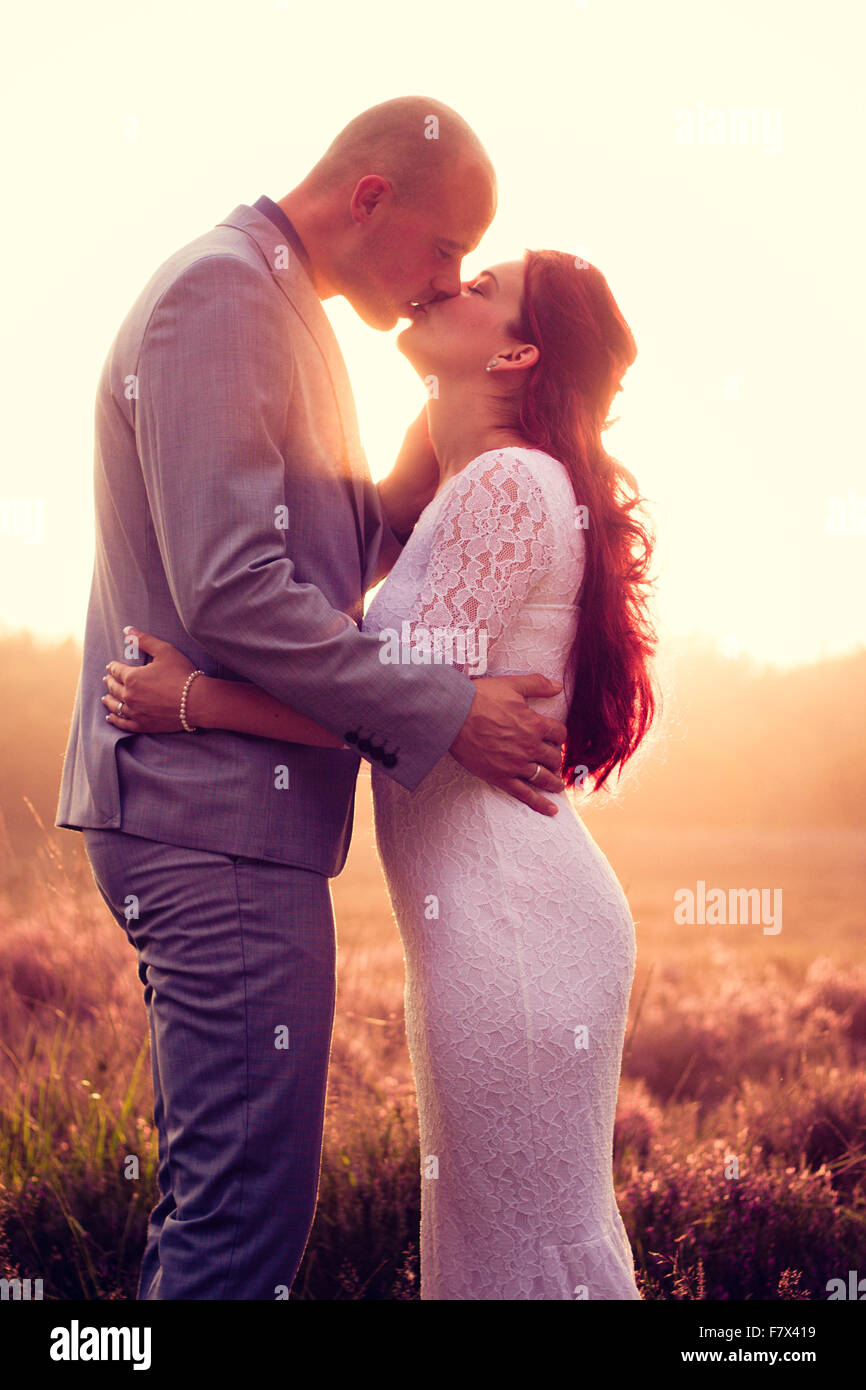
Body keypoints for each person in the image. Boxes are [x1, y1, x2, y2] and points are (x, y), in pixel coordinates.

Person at [56, 97, 569, 1302]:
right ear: (371, 199)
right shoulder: (224, 299)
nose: (445, 281)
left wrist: (424, 457)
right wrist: (447, 711)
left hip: (221, 819)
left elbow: (317, 551)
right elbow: (235, 589)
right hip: (208, 821)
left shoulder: (277, 306)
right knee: (241, 1230)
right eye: (445, 250)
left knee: (223, 1207)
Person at [101, 247, 658, 1299]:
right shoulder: (473, 483)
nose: (445, 286)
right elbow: (389, 677)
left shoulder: (504, 485)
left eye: (478, 288)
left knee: (529, 1246)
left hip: (515, 926)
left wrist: (195, 700)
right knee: (504, 1241)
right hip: (485, 923)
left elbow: (382, 697)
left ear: (518, 350)